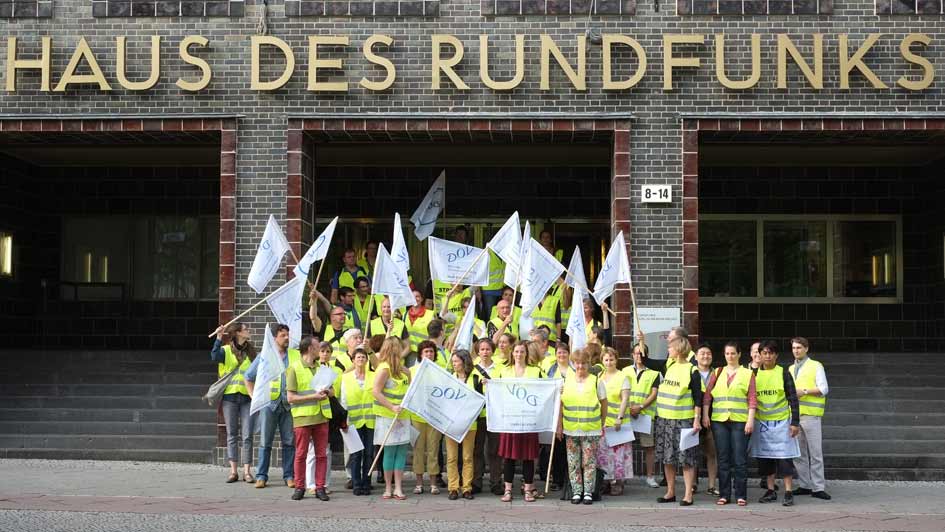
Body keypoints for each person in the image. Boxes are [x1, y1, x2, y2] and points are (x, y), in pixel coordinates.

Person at [244, 324, 299, 489]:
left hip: (288, 405)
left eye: (288, 334)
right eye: (283, 335)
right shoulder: (265, 356)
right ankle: (261, 476)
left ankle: (289, 476)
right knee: (265, 442)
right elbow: (248, 376)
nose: (287, 338)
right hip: (269, 405)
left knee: (289, 442)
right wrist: (255, 397)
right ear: (275, 338)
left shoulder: (294, 356)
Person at [702, 341, 756, 506]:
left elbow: (752, 399)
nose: (730, 356)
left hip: (740, 422)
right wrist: (705, 415)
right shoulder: (717, 372)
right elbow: (707, 397)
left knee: (739, 459)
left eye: (733, 353)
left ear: (739, 354)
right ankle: (724, 494)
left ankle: (741, 494)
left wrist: (750, 420)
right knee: (723, 458)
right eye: (727, 354)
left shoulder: (748, 374)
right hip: (719, 421)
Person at [654, 335, 702, 506]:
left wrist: (697, 419)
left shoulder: (692, 370)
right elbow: (647, 361)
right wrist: (642, 340)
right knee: (668, 458)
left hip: (684, 421)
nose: (668, 350)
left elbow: (698, 398)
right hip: (665, 419)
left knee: (686, 459)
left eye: (670, 347)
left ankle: (688, 494)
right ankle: (670, 492)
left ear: (679, 350)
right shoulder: (669, 365)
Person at [286, 336, 334, 501]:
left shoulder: (322, 368)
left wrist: (327, 392)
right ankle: (300, 487)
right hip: (303, 418)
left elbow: (333, 391)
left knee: (321, 455)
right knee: (301, 454)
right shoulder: (294, 368)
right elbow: (290, 397)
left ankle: (320, 487)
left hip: (321, 417)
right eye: (316, 346)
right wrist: (314, 396)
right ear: (309, 349)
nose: (319, 348)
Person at [754, 340, 801, 507]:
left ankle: (788, 492)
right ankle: (770, 490)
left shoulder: (783, 373)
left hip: (781, 423)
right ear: (759, 355)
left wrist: (795, 422)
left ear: (776, 355)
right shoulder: (754, 374)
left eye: (771, 353)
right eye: (764, 353)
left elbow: (793, 399)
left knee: (784, 459)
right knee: (766, 459)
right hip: (762, 424)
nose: (767, 356)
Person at [557, 348, 608, 505]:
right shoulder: (566, 381)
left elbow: (604, 403)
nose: (580, 366)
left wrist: (601, 422)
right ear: (574, 363)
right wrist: (559, 425)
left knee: (589, 462)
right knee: (573, 462)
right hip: (571, 428)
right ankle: (576, 491)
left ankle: (588, 492)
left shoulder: (596, 381)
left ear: (589, 363)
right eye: (578, 363)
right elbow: (560, 404)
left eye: (584, 363)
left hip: (590, 428)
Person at [497, 341, 543, 502]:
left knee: (528, 456)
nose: (518, 354)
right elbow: (498, 392)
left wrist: (557, 388)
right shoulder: (504, 371)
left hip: (529, 419)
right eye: (516, 351)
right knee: (509, 456)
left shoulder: (535, 371)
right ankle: (508, 489)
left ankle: (528, 490)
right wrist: (488, 385)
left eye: (522, 351)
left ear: (526, 354)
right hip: (510, 419)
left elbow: (544, 391)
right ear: (512, 353)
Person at [210, 322, 256, 483]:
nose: (248, 331)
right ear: (238, 333)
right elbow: (214, 356)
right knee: (232, 435)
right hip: (229, 397)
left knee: (247, 435)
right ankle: (233, 471)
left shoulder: (251, 351)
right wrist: (218, 337)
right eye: (246, 330)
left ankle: (247, 471)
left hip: (247, 397)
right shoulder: (226, 350)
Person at [789, 337, 831, 501]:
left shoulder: (816, 365)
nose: (796, 350)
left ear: (806, 348)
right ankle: (805, 485)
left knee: (815, 454)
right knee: (798, 454)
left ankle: (818, 487)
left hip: (812, 416)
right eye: (794, 348)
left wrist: (804, 391)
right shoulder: (791, 368)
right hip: (795, 416)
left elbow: (824, 389)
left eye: (799, 347)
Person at [372, 337, 412, 500]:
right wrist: (391, 406)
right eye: (396, 348)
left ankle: (398, 487)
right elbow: (375, 391)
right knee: (389, 451)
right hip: (387, 416)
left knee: (401, 451)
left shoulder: (405, 370)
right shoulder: (383, 369)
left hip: (402, 417)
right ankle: (388, 487)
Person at [445, 350, 482, 500]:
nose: (454, 364)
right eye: (453, 361)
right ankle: (453, 488)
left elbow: (481, 401)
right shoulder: (449, 378)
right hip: (451, 423)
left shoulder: (475, 379)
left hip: (469, 423)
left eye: (456, 361)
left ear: (464, 362)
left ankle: (467, 487)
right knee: (452, 457)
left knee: (467, 457)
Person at [624, 342, 660, 489]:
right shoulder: (624, 371)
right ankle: (623, 476)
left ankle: (650, 477)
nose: (639, 356)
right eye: (636, 353)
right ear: (632, 355)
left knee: (649, 446)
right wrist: (630, 408)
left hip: (645, 414)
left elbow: (654, 393)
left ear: (646, 355)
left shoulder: (654, 373)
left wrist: (640, 406)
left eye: (642, 353)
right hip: (627, 413)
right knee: (624, 445)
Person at [411, 341, 445, 495]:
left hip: (434, 417)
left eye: (431, 351)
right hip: (417, 416)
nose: (429, 354)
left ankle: (433, 482)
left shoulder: (441, 372)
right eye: (426, 352)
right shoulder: (412, 371)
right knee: (418, 450)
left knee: (433, 450)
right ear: (420, 354)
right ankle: (419, 483)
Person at [341, 346, 375, 495]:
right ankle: (356, 484)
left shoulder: (373, 376)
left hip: (370, 421)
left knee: (368, 454)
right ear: (353, 360)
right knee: (356, 454)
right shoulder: (346, 378)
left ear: (367, 360)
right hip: (353, 421)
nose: (361, 359)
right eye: (358, 357)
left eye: (363, 357)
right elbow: (343, 400)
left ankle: (366, 483)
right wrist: (344, 420)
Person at [598, 347, 632, 495]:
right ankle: (605, 481)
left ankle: (618, 482)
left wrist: (620, 417)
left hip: (618, 423)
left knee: (618, 455)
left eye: (612, 359)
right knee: (603, 454)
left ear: (616, 360)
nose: (609, 362)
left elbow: (625, 399)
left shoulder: (622, 376)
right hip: (603, 421)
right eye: (606, 359)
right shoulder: (599, 376)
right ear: (602, 361)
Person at [471, 338, 503, 495]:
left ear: (493, 351)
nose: (485, 352)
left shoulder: (500, 369)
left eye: (488, 349)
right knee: (477, 450)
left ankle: (496, 482)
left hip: (495, 414)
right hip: (477, 415)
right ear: (477, 351)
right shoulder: (472, 369)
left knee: (495, 450)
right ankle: (476, 481)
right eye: (482, 349)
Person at [544, 342, 571, 495]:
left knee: (571, 448)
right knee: (557, 449)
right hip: (555, 412)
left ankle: (570, 479)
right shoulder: (551, 370)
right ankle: (558, 479)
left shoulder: (574, 370)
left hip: (571, 412)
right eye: (559, 353)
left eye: (564, 352)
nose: (561, 355)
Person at [695, 344, 719, 497]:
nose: (705, 356)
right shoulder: (690, 372)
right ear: (696, 356)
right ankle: (692, 485)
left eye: (708, 354)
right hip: (693, 418)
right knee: (692, 453)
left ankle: (711, 485)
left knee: (712, 453)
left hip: (713, 418)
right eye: (702, 353)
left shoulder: (717, 373)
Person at [405, 289, 435, 354]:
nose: (415, 299)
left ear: (422, 299)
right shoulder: (405, 315)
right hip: (408, 352)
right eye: (412, 297)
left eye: (417, 296)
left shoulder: (430, 314)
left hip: (424, 352)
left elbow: (433, 336)